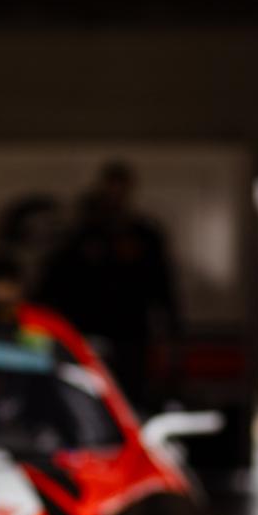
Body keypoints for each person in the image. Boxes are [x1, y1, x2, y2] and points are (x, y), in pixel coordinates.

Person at [34, 161, 179, 411]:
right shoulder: (80, 237)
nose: (114, 198)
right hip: (87, 330)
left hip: (131, 333)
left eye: (120, 191)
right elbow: (55, 285)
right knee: (86, 392)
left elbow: (162, 286)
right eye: (110, 190)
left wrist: (170, 333)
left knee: (129, 396)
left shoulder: (144, 236)